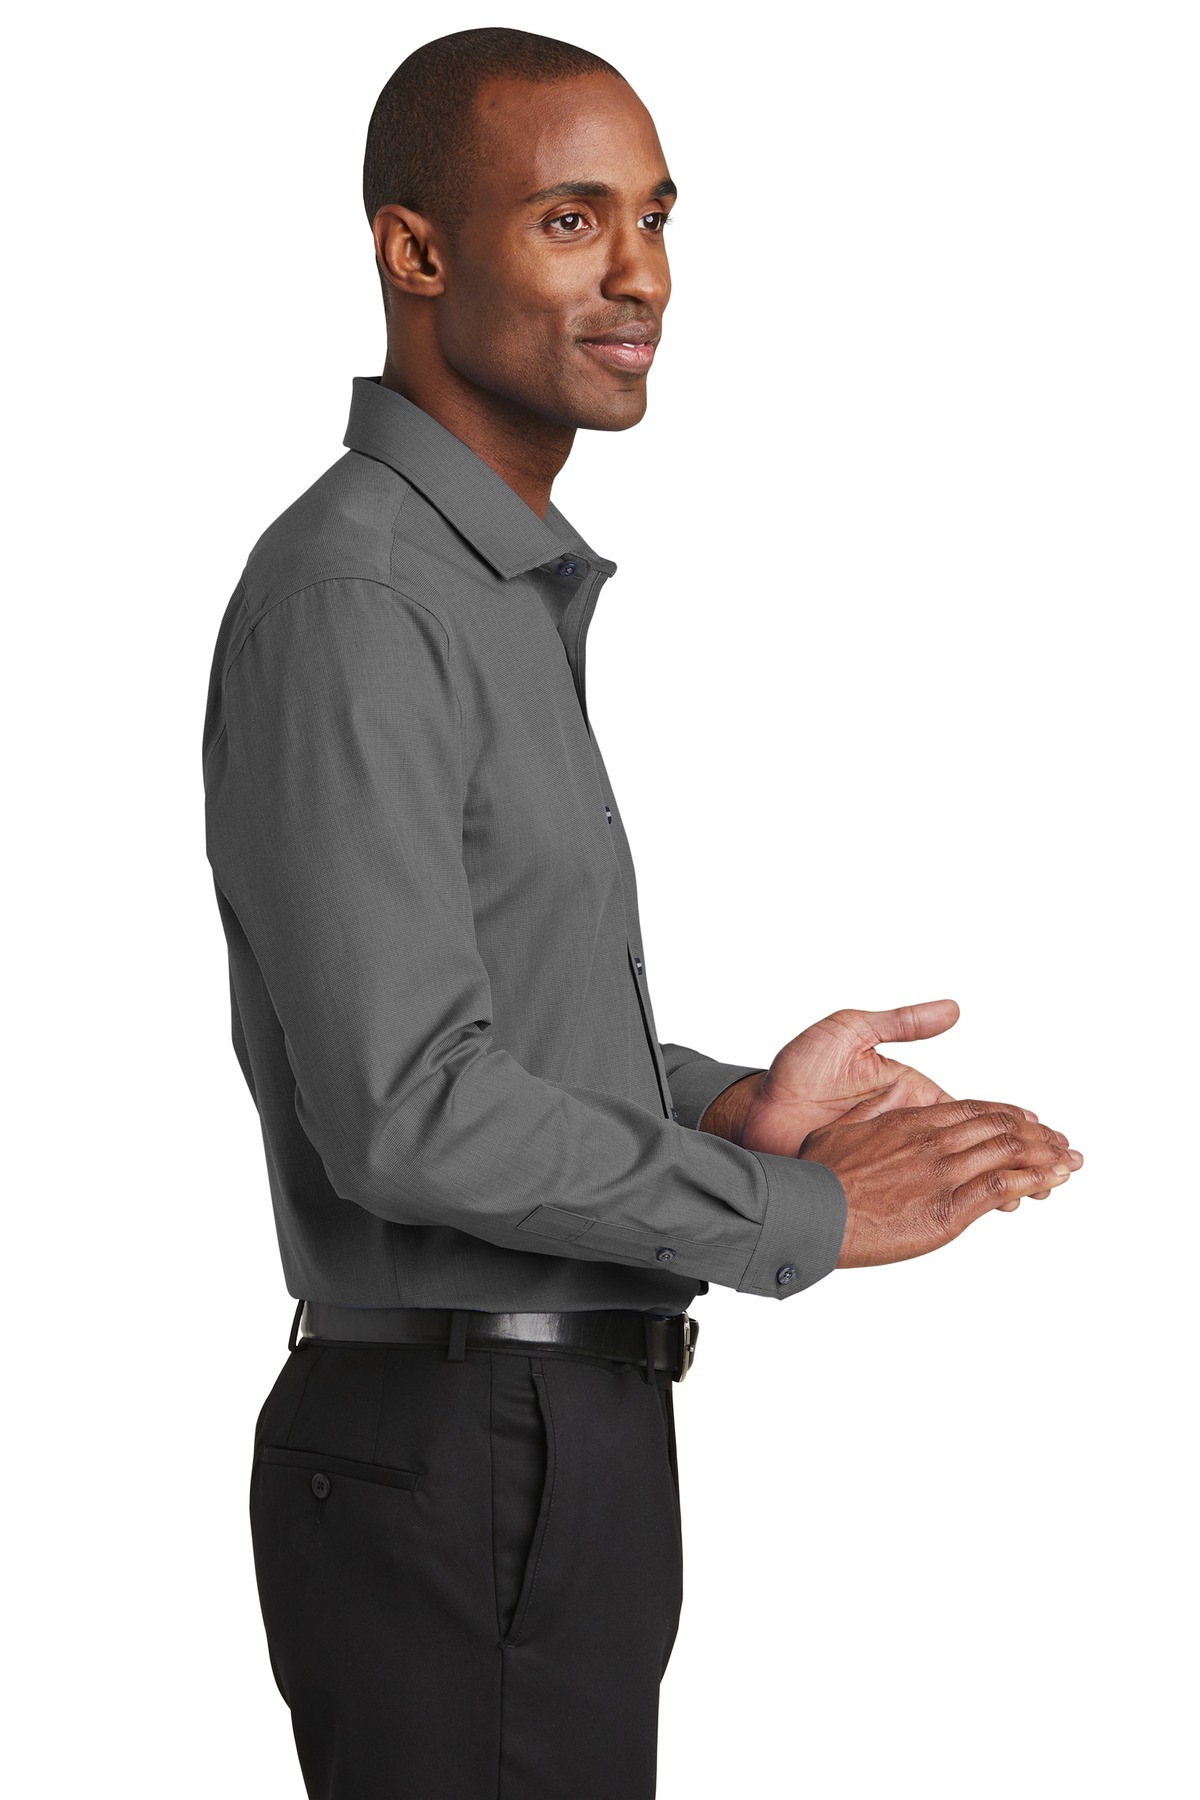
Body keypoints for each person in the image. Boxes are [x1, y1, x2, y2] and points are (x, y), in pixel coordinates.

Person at [202, 26, 1083, 1799]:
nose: (642, 275)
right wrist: (799, 1211)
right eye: (572, 219)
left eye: (659, 218)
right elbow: (407, 1110)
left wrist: (734, 1104)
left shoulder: (486, 592)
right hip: (463, 1441)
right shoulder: (363, 599)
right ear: (415, 251)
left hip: (550, 1429)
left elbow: (487, 1028)